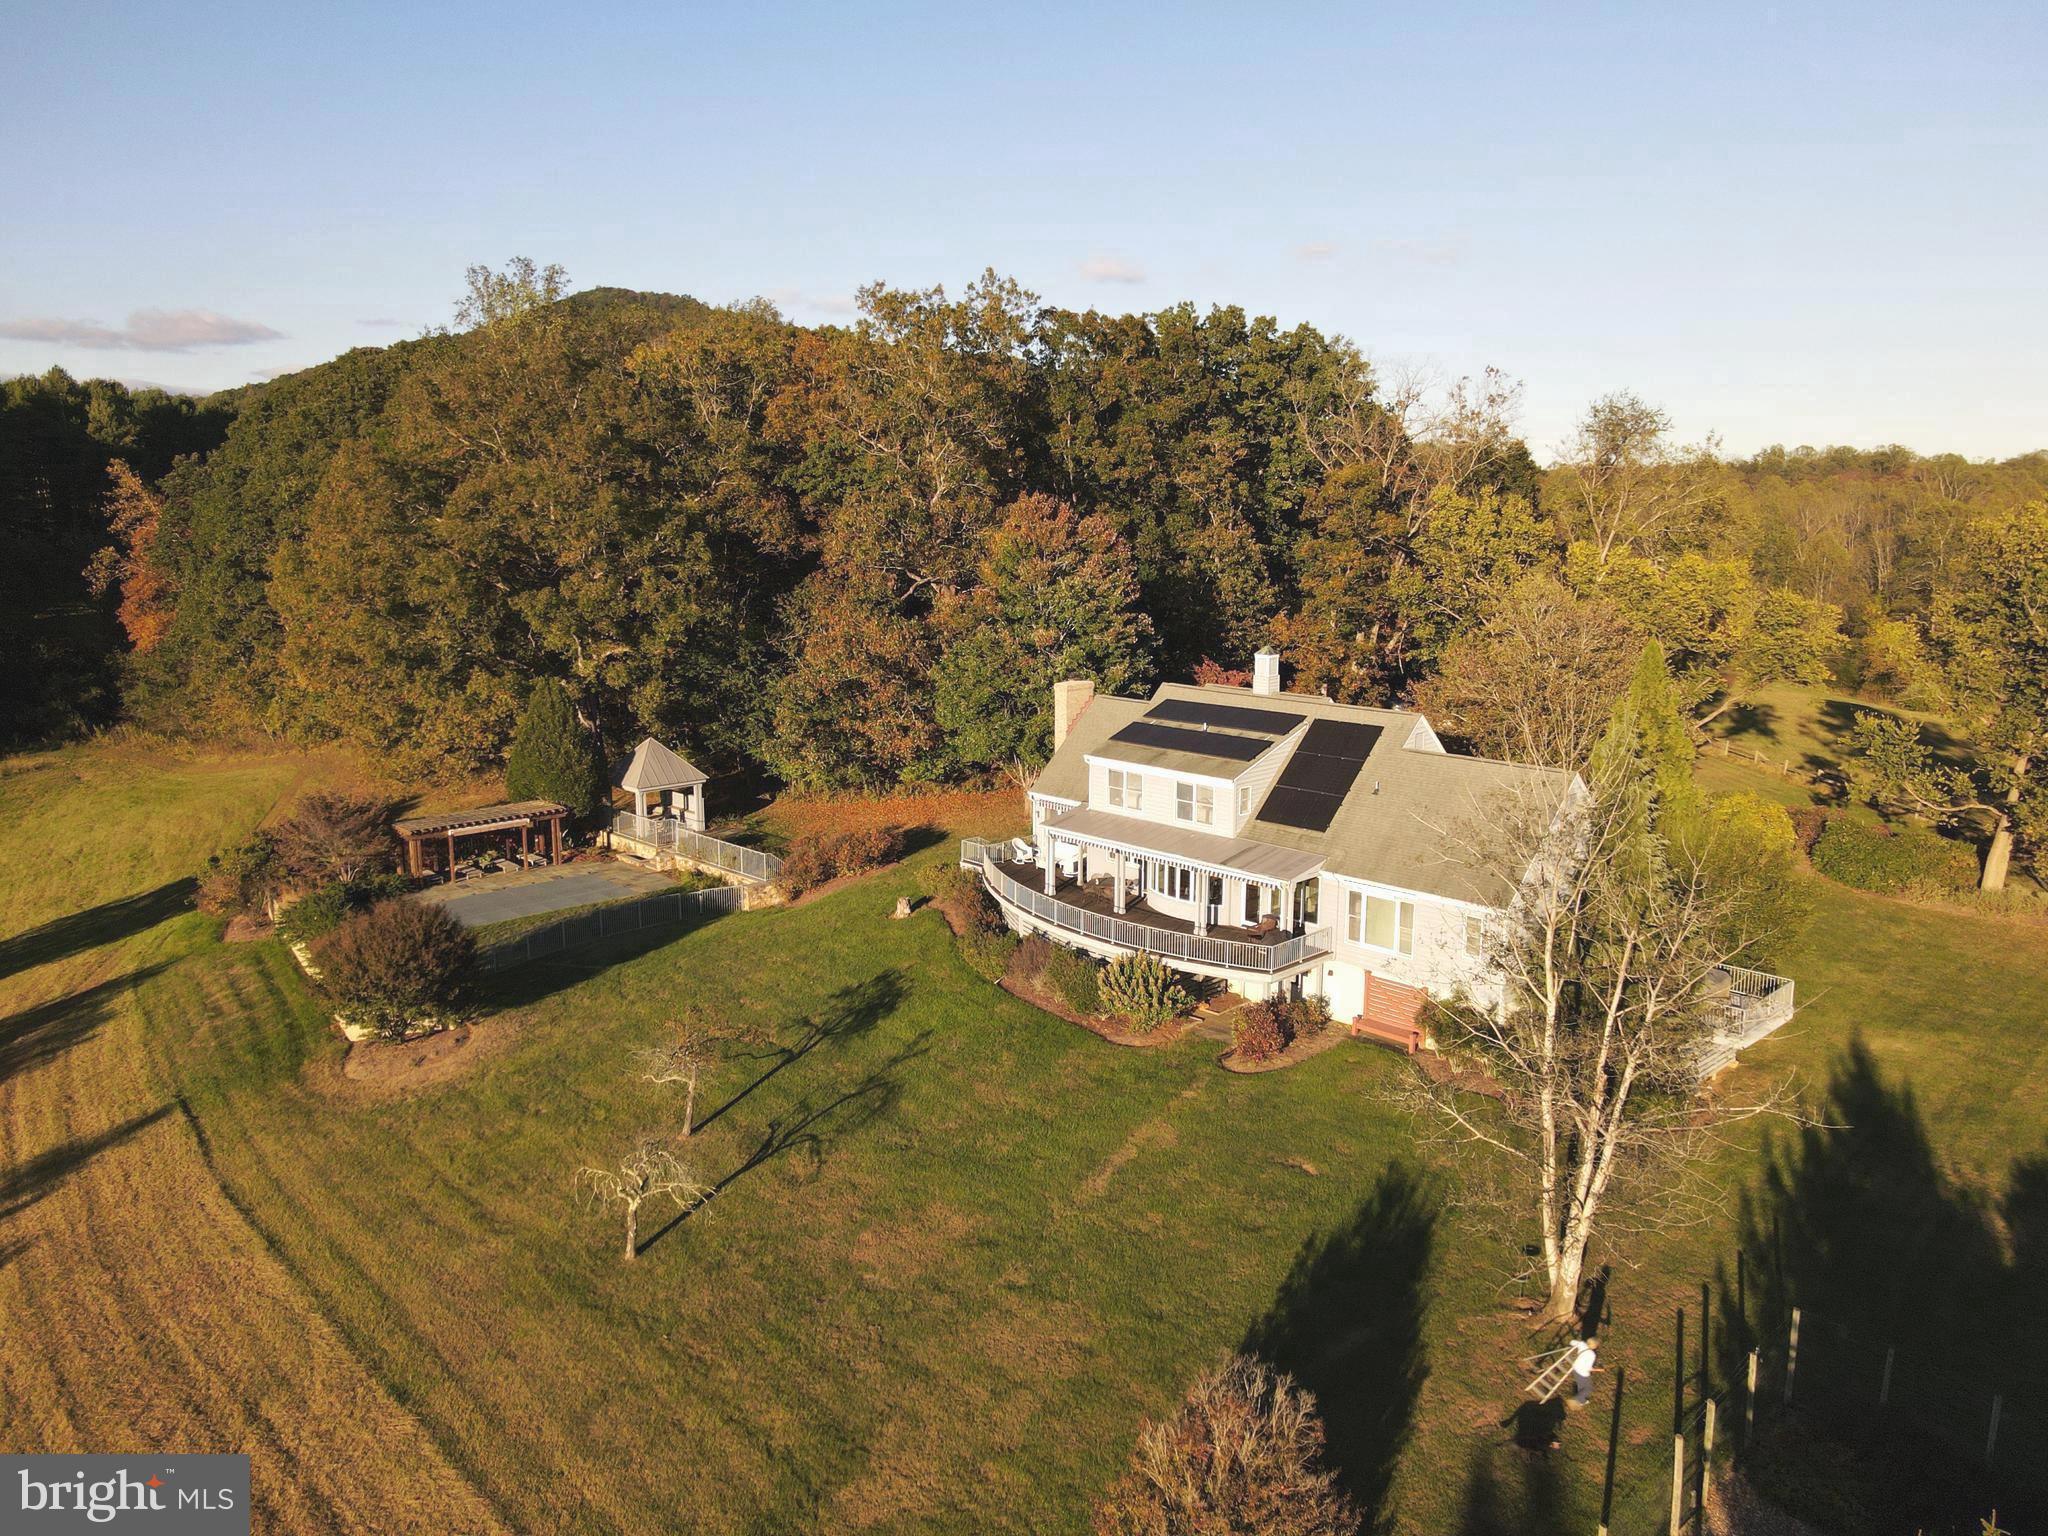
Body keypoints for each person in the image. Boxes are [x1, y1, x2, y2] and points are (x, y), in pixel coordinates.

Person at [1568, 1335, 1600, 1407]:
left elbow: (1571, 1342)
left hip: (1575, 1368)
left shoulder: (1582, 1344)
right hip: (1583, 1372)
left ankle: (1582, 1401)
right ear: (1595, 1346)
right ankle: (1577, 1399)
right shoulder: (1592, 1354)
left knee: (1581, 1386)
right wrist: (1597, 1369)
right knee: (1588, 1388)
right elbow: (1589, 1368)